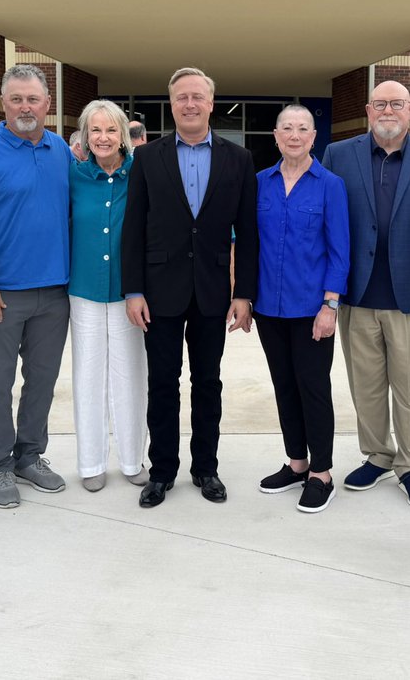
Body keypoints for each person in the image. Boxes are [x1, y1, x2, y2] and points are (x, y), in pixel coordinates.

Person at [322, 80, 410, 512]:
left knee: (409, 386)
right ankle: (378, 455)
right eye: (380, 104)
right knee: (364, 386)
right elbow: (326, 223)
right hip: (357, 293)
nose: (388, 111)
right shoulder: (338, 155)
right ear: (367, 110)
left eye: (396, 104)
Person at [122, 67, 259, 508]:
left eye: (198, 96)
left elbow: (249, 232)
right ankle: (162, 471)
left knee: (208, 382)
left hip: (213, 291)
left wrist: (244, 293)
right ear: (172, 103)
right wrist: (133, 290)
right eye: (181, 97)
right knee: (162, 382)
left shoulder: (238, 159)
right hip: (159, 291)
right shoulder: (147, 158)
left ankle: (206, 468)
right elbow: (133, 230)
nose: (190, 104)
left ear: (211, 103)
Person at [0, 64, 72, 509]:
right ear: (3, 103)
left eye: (34, 99)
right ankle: (0, 463)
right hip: (1, 294)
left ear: (47, 105)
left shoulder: (61, 149)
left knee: (42, 381)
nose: (26, 107)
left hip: (55, 293)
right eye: (17, 99)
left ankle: (30, 455)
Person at [254, 104, 349, 513]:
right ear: (275, 136)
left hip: (312, 310)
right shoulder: (259, 183)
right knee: (283, 386)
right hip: (268, 309)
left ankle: (321, 473)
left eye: (302, 129)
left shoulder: (330, 185)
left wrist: (330, 305)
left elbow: (340, 252)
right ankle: (297, 462)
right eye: (286, 128)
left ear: (314, 137)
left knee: (313, 389)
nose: (294, 135)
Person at [68, 99, 149, 492]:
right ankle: (91, 463)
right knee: (87, 377)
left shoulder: (142, 174)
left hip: (128, 291)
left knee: (130, 375)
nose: (102, 137)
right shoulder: (73, 176)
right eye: (95, 130)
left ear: (124, 136)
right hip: (82, 289)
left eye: (110, 130)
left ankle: (133, 459)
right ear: (85, 136)